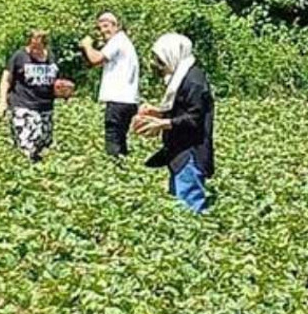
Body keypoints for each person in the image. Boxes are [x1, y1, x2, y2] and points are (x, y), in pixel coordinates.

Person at [132, 34, 215, 213]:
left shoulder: (193, 80)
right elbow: (181, 109)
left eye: (160, 59)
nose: (158, 64)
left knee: (189, 206)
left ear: (173, 54)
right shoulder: (181, 76)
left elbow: (194, 119)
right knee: (177, 203)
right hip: (178, 150)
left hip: (191, 151)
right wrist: (157, 111)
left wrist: (162, 123)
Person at [79, 12, 140, 157]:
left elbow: (96, 59)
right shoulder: (124, 42)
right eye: (100, 28)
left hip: (118, 100)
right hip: (128, 100)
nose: (103, 31)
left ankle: (115, 168)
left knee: (113, 140)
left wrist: (87, 45)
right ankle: (123, 167)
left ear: (116, 26)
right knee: (120, 139)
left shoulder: (118, 40)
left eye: (106, 26)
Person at [0, 29, 61, 162]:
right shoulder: (19, 56)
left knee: (44, 145)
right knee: (26, 144)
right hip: (23, 105)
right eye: (33, 45)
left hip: (46, 107)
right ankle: (24, 171)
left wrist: (62, 90)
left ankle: (40, 175)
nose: (35, 49)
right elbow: (6, 79)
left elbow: (54, 82)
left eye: (39, 46)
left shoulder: (51, 57)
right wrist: (2, 102)